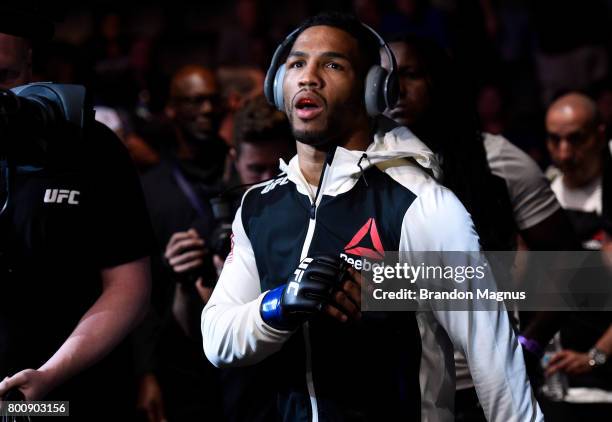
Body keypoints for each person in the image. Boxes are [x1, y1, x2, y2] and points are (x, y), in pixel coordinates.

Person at [202, 12, 542, 421]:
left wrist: (391, 295)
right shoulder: (258, 206)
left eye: (332, 64)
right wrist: (279, 306)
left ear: (372, 91)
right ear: (278, 85)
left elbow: (497, 364)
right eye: (296, 63)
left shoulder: (423, 204)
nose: (308, 77)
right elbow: (217, 341)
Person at [381, 33, 576, 421]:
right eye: (386, 77)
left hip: (481, 387)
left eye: (412, 75)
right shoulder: (367, 166)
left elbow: (572, 267)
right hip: (393, 385)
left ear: (439, 80)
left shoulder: (499, 161)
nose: (397, 90)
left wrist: (528, 344)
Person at [0, 12, 153, 420]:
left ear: (31, 64)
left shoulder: (91, 145)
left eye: (5, 77)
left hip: (71, 392)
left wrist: (49, 376)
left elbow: (129, 286)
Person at [139, 64, 228, 421]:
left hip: (250, 353)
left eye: (211, 100)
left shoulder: (250, 169)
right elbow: (136, 290)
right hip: (178, 360)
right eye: (194, 101)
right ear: (172, 110)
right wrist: (144, 373)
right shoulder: (151, 189)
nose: (206, 110)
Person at [542, 92, 612, 420]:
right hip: (546, 385)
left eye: (575, 139)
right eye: (555, 140)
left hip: (601, 388)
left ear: (600, 136)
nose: (565, 152)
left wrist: (597, 355)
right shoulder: (540, 194)